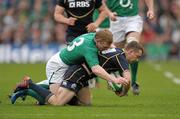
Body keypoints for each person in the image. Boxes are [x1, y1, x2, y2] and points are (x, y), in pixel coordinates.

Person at [11, 41, 143, 105]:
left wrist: (116, 84)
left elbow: (105, 67)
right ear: (130, 51)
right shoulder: (122, 57)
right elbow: (128, 78)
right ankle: (30, 85)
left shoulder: (117, 51)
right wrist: (122, 89)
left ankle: (35, 93)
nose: (137, 60)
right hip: (77, 73)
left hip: (84, 77)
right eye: (137, 56)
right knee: (57, 102)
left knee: (85, 103)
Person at [102, 0, 155, 95]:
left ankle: (133, 82)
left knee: (133, 46)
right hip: (116, 20)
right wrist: (109, 13)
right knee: (116, 53)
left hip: (132, 19)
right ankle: (122, 81)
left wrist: (150, 9)